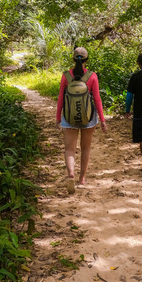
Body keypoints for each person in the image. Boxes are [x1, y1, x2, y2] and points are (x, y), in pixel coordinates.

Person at [56, 46, 108, 194]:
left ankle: (71, 174)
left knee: (69, 149)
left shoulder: (66, 76)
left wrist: (58, 117)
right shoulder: (92, 76)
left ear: (73, 59)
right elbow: (97, 99)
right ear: (87, 60)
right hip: (88, 117)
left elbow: (61, 98)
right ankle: (82, 178)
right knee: (86, 148)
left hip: (69, 117)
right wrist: (102, 120)